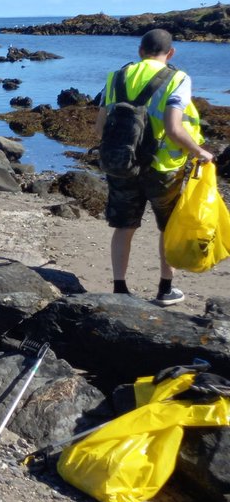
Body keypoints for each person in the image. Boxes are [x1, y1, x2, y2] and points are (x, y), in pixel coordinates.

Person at [95, 28, 213, 305]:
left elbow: (100, 127)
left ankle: (120, 290)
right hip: (163, 169)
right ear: (170, 53)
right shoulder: (178, 78)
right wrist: (200, 152)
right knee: (167, 227)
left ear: (140, 50)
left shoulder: (115, 77)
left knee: (124, 227)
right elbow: (173, 128)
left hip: (123, 164)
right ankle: (164, 288)